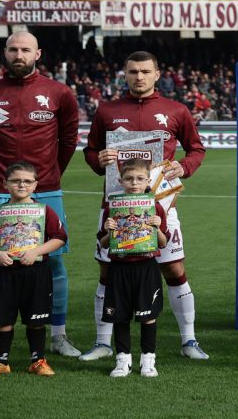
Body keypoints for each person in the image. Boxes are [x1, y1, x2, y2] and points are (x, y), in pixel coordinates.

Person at [0, 31, 80, 360]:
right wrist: (3, 175)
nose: (19, 54)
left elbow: (68, 141)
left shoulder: (59, 92)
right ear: (5, 53)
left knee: (53, 260)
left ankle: (58, 334)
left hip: (47, 190)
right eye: (13, 49)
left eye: (25, 49)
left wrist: (49, 176)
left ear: (38, 53)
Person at [79, 51, 208, 361]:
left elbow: (196, 148)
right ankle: (102, 342)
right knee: (108, 271)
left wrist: (184, 166)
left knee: (174, 268)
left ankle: (189, 340)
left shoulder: (175, 110)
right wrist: (97, 159)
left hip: (160, 206)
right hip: (115, 205)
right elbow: (91, 149)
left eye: (145, 71)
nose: (139, 76)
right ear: (125, 73)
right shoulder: (108, 110)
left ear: (157, 73)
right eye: (133, 71)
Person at [0, 161, 67, 378]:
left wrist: (37, 251)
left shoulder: (44, 211)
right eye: (16, 181)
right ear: (5, 184)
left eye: (27, 181)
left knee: (36, 320)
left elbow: (60, 238)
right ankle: (1, 362)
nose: (21, 185)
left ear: (36, 185)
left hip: (36, 273)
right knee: (2, 319)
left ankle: (38, 361)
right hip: (4, 274)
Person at [97, 158, 169, 378]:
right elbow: (103, 243)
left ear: (148, 180)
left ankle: (148, 360)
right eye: (129, 179)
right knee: (120, 316)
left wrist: (156, 227)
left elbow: (164, 242)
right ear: (120, 181)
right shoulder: (112, 207)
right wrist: (109, 231)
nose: (134, 183)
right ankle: (123, 360)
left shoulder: (155, 206)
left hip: (146, 267)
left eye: (139, 179)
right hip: (119, 268)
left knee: (148, 316)